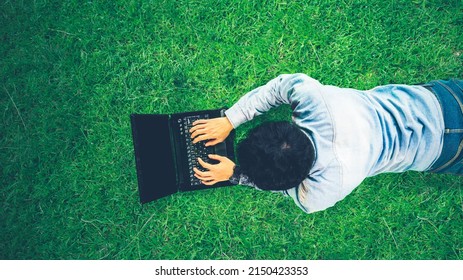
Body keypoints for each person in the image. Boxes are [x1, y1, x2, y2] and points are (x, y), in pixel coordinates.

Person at [189, 74, 463, 213]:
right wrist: (231, 119)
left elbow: (284, 187)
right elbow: (279, 87)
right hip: (446, 100)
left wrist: (237, 175)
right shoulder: (315, 100)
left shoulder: (324, 190)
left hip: (446, 148)